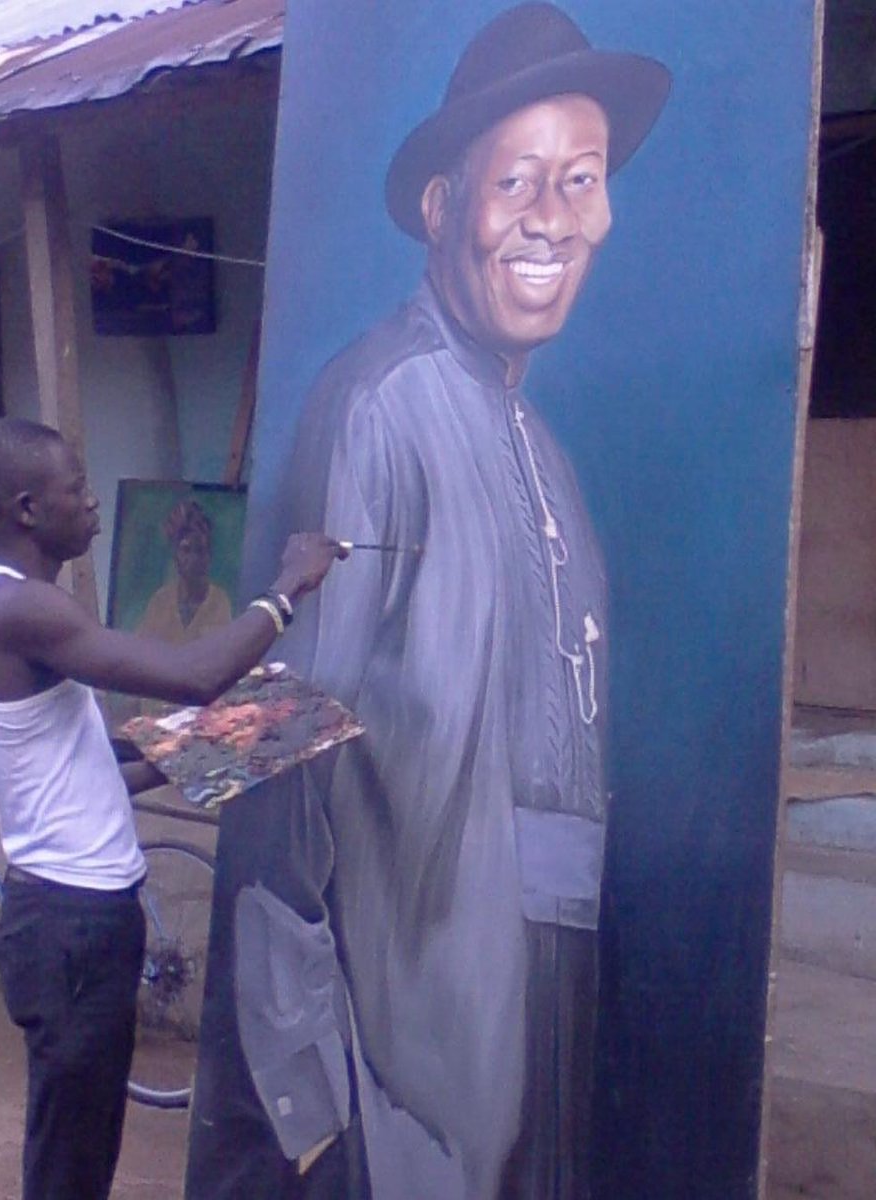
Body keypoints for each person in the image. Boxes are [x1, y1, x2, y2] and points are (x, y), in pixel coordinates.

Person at [190, 6, 672, 1200]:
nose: (551, 216)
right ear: (442, 205)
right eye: (516, 182)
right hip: (405, 1041)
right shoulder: (378, 407)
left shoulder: (541, 451)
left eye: (580, 180)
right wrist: (306, 1105)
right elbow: (267, 739)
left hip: (534, 997)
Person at [0, 416, 345, 1200]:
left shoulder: (6, 610)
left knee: (80, 1153)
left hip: (73, 921)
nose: (94, 503)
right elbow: (193, 675)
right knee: (70, 1165)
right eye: (77, 490)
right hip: (72, 926)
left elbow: (90, 775)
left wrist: (225, 742)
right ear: (27, 510)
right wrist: (287, 588)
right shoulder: (20, 611)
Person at [136, 498, 233, 642]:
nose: (194, 559)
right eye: (186, 550)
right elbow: (142, 648)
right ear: (175, 554)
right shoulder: (160, 602)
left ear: (209, 555)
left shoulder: (219, 602)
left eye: (200, 550)